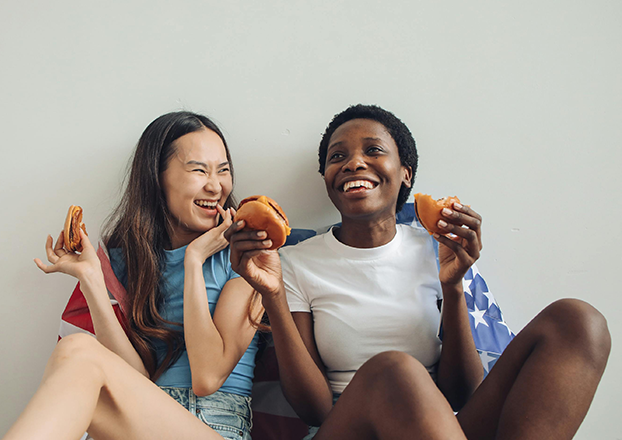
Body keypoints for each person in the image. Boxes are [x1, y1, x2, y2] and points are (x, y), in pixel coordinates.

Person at [226, 104, 611, 440]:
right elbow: (314, 410)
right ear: (328, 178)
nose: (353, 163)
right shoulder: (295, 262)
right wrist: (273, 297)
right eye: (336, 156)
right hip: (348, 427)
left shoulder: (436, 247)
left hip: (441, 424)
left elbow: (461, 394)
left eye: (373, 150)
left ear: (405, 173)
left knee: (577, 321)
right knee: (395, 370)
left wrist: (454, 285)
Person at [4, 112, 263, 440]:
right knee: (77, 349)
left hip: (216, 425)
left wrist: (194, 261)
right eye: (199, 170)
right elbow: (135, 378)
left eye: (223, 170)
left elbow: (207, 377)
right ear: (158, 177)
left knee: (78, 352)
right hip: (144, 422)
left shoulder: (247, 255)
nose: (215, 186)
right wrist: (92, 279)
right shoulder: (131, 261)